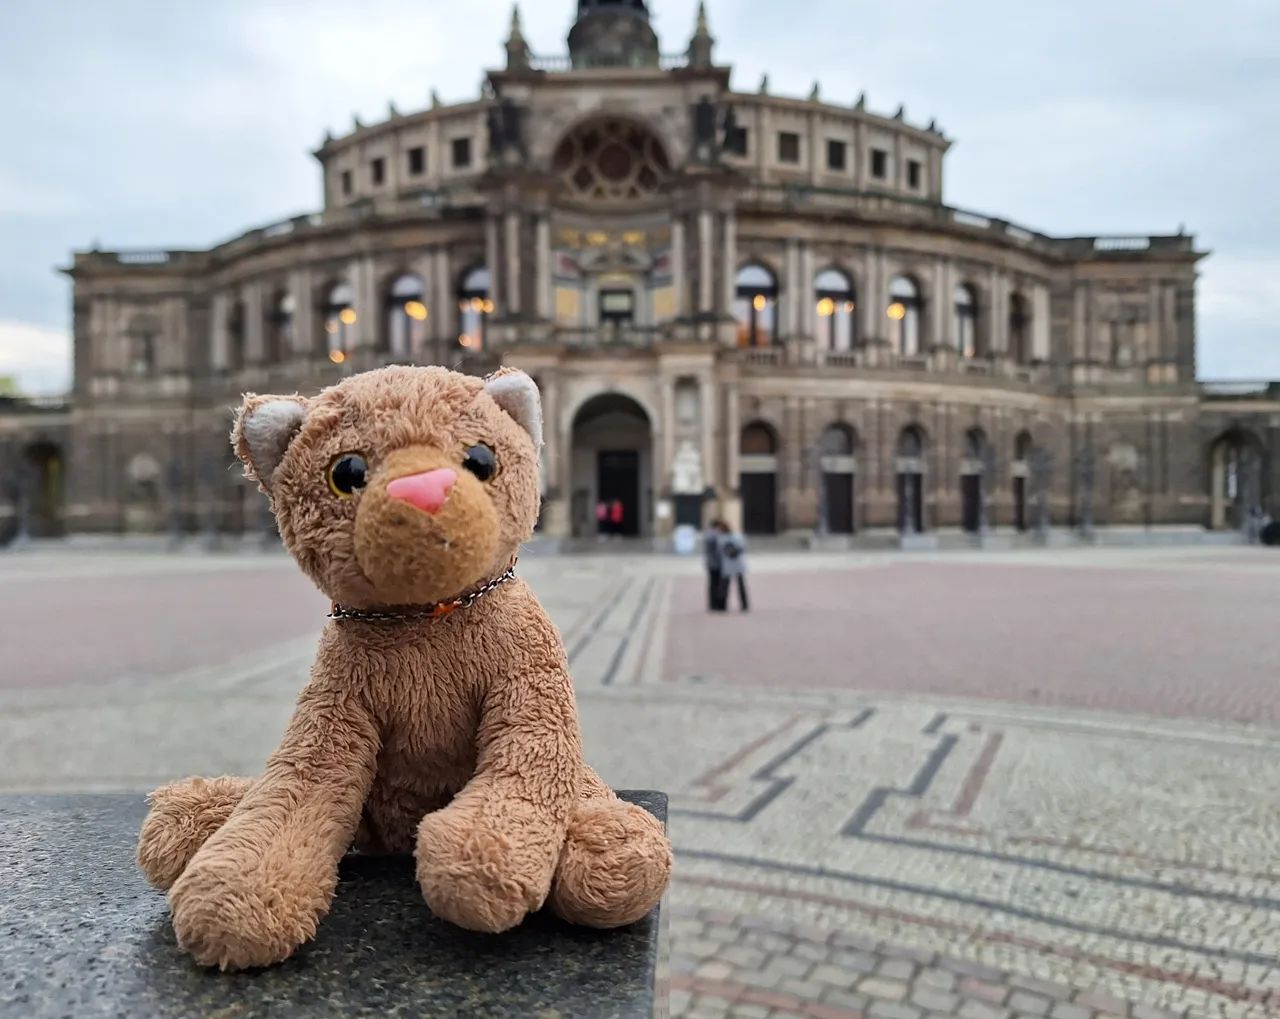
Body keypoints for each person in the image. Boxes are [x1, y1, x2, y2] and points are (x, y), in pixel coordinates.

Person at [716, 521, 749, 612]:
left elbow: (719, 552)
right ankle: (745, 605)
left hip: (727, 565)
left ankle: (722, 606)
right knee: (741, 586)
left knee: (724, 587)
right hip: (738, 564)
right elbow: (744, 548)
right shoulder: (738, 536)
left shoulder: (721, 539)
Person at [703, 519, 726, 611]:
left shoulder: (708, 534)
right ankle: (715, 604)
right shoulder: (715, 536)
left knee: (712, 584)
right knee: (716, 584)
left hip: (710, 563)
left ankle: (712, 604)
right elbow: (718, 551)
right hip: (716, 564)